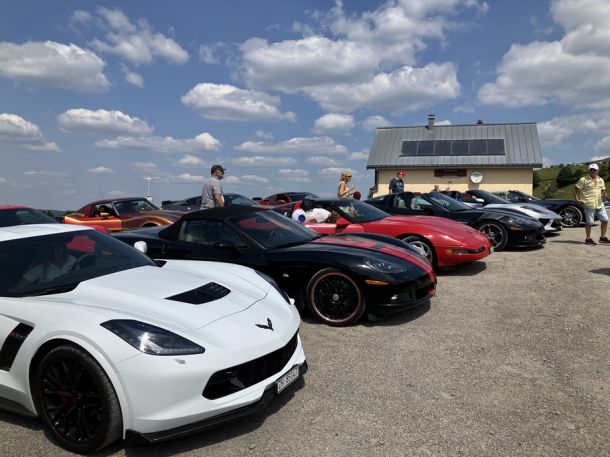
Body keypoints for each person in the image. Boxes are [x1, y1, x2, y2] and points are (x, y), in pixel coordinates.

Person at [573, 163, 608, 245]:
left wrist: (604, 193)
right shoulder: (583, 180)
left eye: (594, 170)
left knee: (605, 220)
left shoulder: (601, 180)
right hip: (588, 204)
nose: (592, 171)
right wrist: (577, 199)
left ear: (597, 171)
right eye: (591, 170)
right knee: (589, 222)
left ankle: (602, 238)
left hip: (599, 204)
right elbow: (574, 189)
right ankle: (588, 239)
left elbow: (603, 190)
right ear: (588, 171)